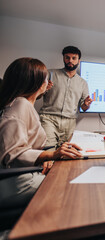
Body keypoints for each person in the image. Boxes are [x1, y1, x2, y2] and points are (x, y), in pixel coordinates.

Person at [0, 57, 82, 210]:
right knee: (71, 186)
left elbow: (25, 146)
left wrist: (43, 158)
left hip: (26, 174)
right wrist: (51, 155)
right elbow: (13, 155)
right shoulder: (20, 105)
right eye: (46, 78)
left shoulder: (23, 105)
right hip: (18, 182)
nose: (48, 81)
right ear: (36, 82)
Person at [39, 46, 93, 149]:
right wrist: (44, 90)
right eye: (67, 58)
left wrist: (86, 104)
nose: (70, 61)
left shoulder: (82, 83)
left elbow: (84, 108)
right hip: (49, 119)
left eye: (74, 58)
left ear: (79, 60)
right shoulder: (49, 74)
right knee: (48, 152)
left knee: (64, 153)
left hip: (70, 122)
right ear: (63, 58)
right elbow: (36, 96)